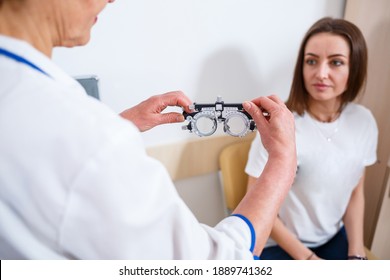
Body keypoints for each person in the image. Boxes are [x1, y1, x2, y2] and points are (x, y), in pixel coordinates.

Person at [0, 0, 296, 259]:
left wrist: (117, 125)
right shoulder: (91, 138)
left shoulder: (59, 119)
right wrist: (283, 162)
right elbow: (220, 266)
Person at [245, 17, 378, 260]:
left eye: (336, 62)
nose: (321, 73)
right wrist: (308, 260)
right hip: (279, 244)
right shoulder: (279, 125)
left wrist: (356, 253)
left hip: (333, 237)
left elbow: (355, 192)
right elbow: (255, 205)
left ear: (354, 68)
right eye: (311, 61)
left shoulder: (364, 122)